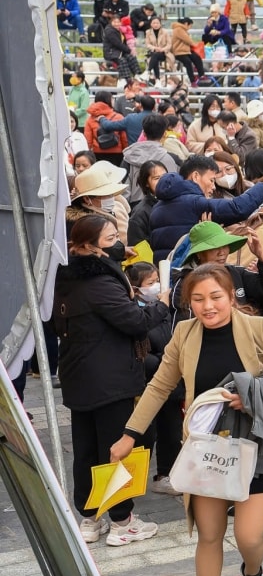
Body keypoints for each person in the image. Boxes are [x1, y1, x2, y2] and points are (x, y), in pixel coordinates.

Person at [110, 263, 263, 576]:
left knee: (250, 538)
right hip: (205, 449)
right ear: (188, 304)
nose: (208, 306)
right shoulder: (184, 334)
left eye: (216, 296)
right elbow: (157, 387)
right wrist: (129, 434)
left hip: (257, 445)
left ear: (231, 295)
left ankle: (253, 575)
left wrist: (250, 394)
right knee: (209, 535)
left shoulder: (258, 328)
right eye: (197, 299)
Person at [53, 215, 171, 546]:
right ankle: (122, 521)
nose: (118, 241)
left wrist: (118, 261)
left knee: (87, 449)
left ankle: (89, 518)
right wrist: (161, 303)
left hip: (80, 378)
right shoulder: (101, 284)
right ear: (89, 246)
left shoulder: (66, 278)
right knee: (118, 448)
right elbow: (136, 322)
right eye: (110, 238)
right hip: (110, 379)